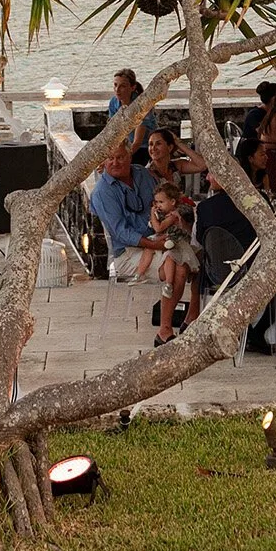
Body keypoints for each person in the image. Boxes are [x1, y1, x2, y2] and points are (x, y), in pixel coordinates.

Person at [194, 172, 276, 356]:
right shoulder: (257, 198)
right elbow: (273, 231)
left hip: (217, 273)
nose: (207, 178)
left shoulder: (206, 207)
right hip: (255, 273)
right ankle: (257, 331)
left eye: (211, 174)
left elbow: (201, 239)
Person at [88, 142, 166, 282]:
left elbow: (163, 202)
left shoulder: (142, 173)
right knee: (177, 268)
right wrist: (153, 244)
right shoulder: (102, 192)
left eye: (120, 157)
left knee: (197, 258)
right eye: (110, 158)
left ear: (130, 156)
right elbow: (120, 232)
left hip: (158, 237)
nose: (115, 163)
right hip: (129, 252)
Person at [147, 182, 200, 344]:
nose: (157, 205)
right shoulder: (165, 213)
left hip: (176, 246)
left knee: (184, 266)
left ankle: (189, 317)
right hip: (158, 247)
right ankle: (165, 328)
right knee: (180, 268)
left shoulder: (175, 213)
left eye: (160, 202)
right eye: (156, 202)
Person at [107, 67, 161, 140]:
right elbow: (113, 129)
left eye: (122, 86)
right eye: (115, 85)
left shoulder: (142, 104)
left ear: (133, 87)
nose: (117, 89)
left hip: (147, 146)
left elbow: (137, 142)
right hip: (128, 145)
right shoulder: (113, 102)